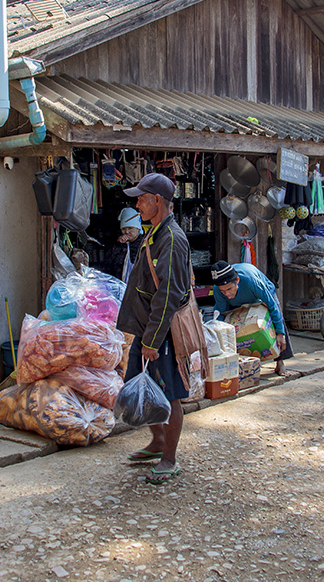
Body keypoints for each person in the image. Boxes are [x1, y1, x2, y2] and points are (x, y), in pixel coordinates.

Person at [116, 173, 192, 484]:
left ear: (156, 201)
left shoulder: (172, 239)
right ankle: (158, 440)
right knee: (142, 385)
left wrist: (152, 340)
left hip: (161, 334)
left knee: (169, 394)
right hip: (147, 328)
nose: (137, 204)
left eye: (141, 198)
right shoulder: (155, 232)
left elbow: (169, 294)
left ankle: (170, 458)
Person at [210, 260, 293, 376]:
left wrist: (280, 333)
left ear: (237, 281)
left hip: (261, 294)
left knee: (277, 321)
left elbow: (272, 306)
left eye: (229, 289)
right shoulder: (218, 291)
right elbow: (222, 314)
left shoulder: (251, 281)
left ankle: (280, 362)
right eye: (223, 291)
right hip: (237, 302)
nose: (227, 294)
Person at [97, 207, 144, 282]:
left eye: (130, 228)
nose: (127, 232)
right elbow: (108, 264)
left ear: (138, 228)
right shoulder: (119, 245)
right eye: (124, 229)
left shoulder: (144, 244)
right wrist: (119, 246)